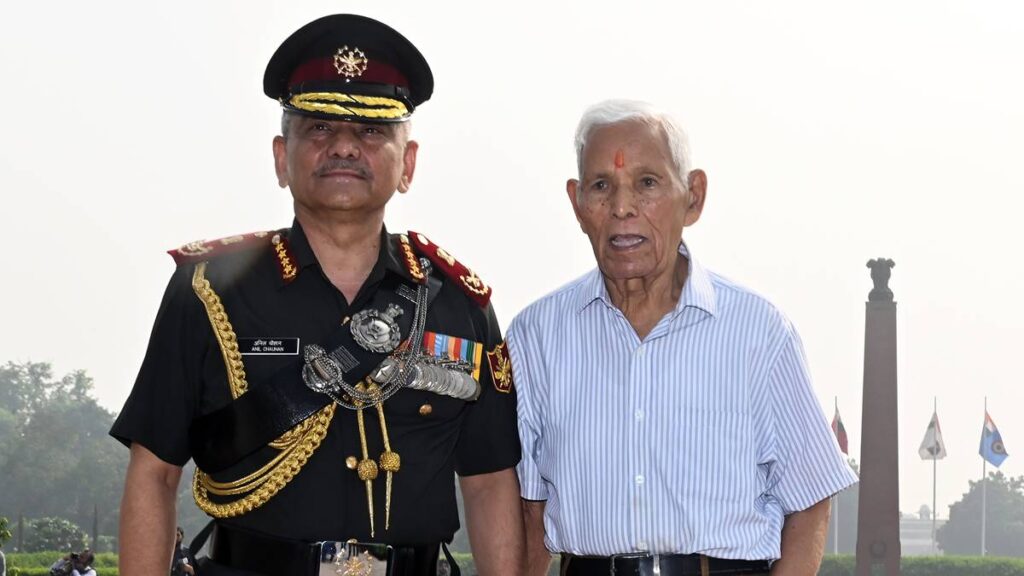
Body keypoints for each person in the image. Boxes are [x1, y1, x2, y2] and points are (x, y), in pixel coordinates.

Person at [110, 14, 523, 576]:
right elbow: (155, 471)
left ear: (409, 164)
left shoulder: (457, 301)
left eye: (372, 132)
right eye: (319, 129)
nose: (345, 148)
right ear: (283, 157)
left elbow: (490, 480)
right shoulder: (208, 290)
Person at [508, 100, 858, 576]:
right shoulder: (536, 338)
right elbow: (529, 515)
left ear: (693, 196)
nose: (622, 208)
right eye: (601, 186)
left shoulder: (757, 331)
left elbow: (810, 499)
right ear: (577, 203)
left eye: (647, 184)